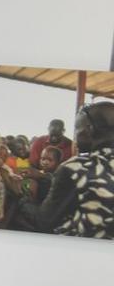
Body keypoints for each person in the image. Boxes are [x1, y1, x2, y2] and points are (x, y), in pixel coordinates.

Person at [19, 101, 114, 238]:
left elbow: (44, 221)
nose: (74, 136)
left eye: (77, 129)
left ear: (90, 129)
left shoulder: (77, 167)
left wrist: (23, 198)